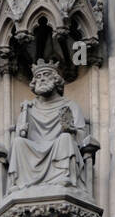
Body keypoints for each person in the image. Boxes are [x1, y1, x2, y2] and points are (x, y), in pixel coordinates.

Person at [6, 59, 89, 192]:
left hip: (59, 147)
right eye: (38, 77)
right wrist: (21, 129)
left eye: (46, 75)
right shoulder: (29, 108)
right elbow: (19, 137)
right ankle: (18, 183)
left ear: (56, 80)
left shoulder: (70, 105)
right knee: (18, 143)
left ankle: (64, 176)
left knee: (65, 138)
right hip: (34, 148)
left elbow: (82, 135)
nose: (42, 79)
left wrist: (71, 130)